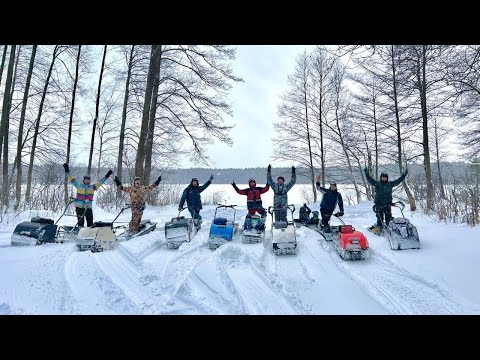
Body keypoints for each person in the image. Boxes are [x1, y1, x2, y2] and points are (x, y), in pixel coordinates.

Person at [64, 163, 112, 227]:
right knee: (80, 222)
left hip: (88, 207)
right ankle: (80, 232)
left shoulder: (92, 187)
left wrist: (107, 175)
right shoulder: (79, 185)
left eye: (88, 180)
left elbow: (101, 182)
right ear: (84, 180)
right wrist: (67, 171)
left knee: (90, 221)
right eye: (86, 179)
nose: (87, 181)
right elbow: (71, 179)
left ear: (89, 181)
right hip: (79, 207)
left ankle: (90, 233)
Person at [364, 167, 408, 231]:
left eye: (385, 177)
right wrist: (367, 174)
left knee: (389, 220)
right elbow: (370, 180)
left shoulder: (390, 184)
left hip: (387, 205)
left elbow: (398, 181)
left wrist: (404, 175)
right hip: (379, 206)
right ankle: (379, 228)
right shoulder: (377, 184)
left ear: (387, 178)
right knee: (380, 220)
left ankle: (389, 229)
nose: (384, 178)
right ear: (381, 178)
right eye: (383, 177)